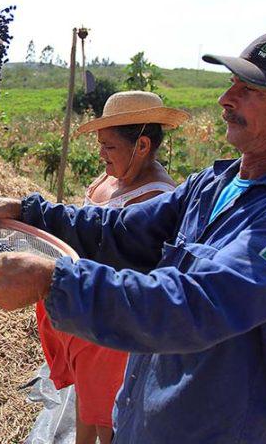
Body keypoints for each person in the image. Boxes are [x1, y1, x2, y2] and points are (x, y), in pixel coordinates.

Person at [0, 25, 266, 443]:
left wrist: (54, 280)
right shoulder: (212, 185)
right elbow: (120, 231)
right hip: (144, 420)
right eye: (232, 83)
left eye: (251, 89)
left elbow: (196, 304)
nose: (225, 100)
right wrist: (33, 212)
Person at [29, 91, 188, 444]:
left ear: (142, 145)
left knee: (108, 415)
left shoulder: (156, 198)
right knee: (86, 401)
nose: (100, 154)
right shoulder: (109, 179)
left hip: (111, 321)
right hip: (84, 306)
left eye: (109, 147)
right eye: (101, 145)